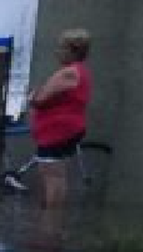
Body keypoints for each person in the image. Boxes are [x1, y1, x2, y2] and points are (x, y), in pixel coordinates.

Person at [24, 28, 92, 209]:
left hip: (56, 132)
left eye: (60, 48)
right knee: (58, 176)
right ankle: (54, 221)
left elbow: (40, 99)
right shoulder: (81, 72)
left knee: (52, 177)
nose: (57, 52)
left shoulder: (67, 73)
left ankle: (50, 223)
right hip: (68, 129)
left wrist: (31, 96)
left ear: (72, 51)